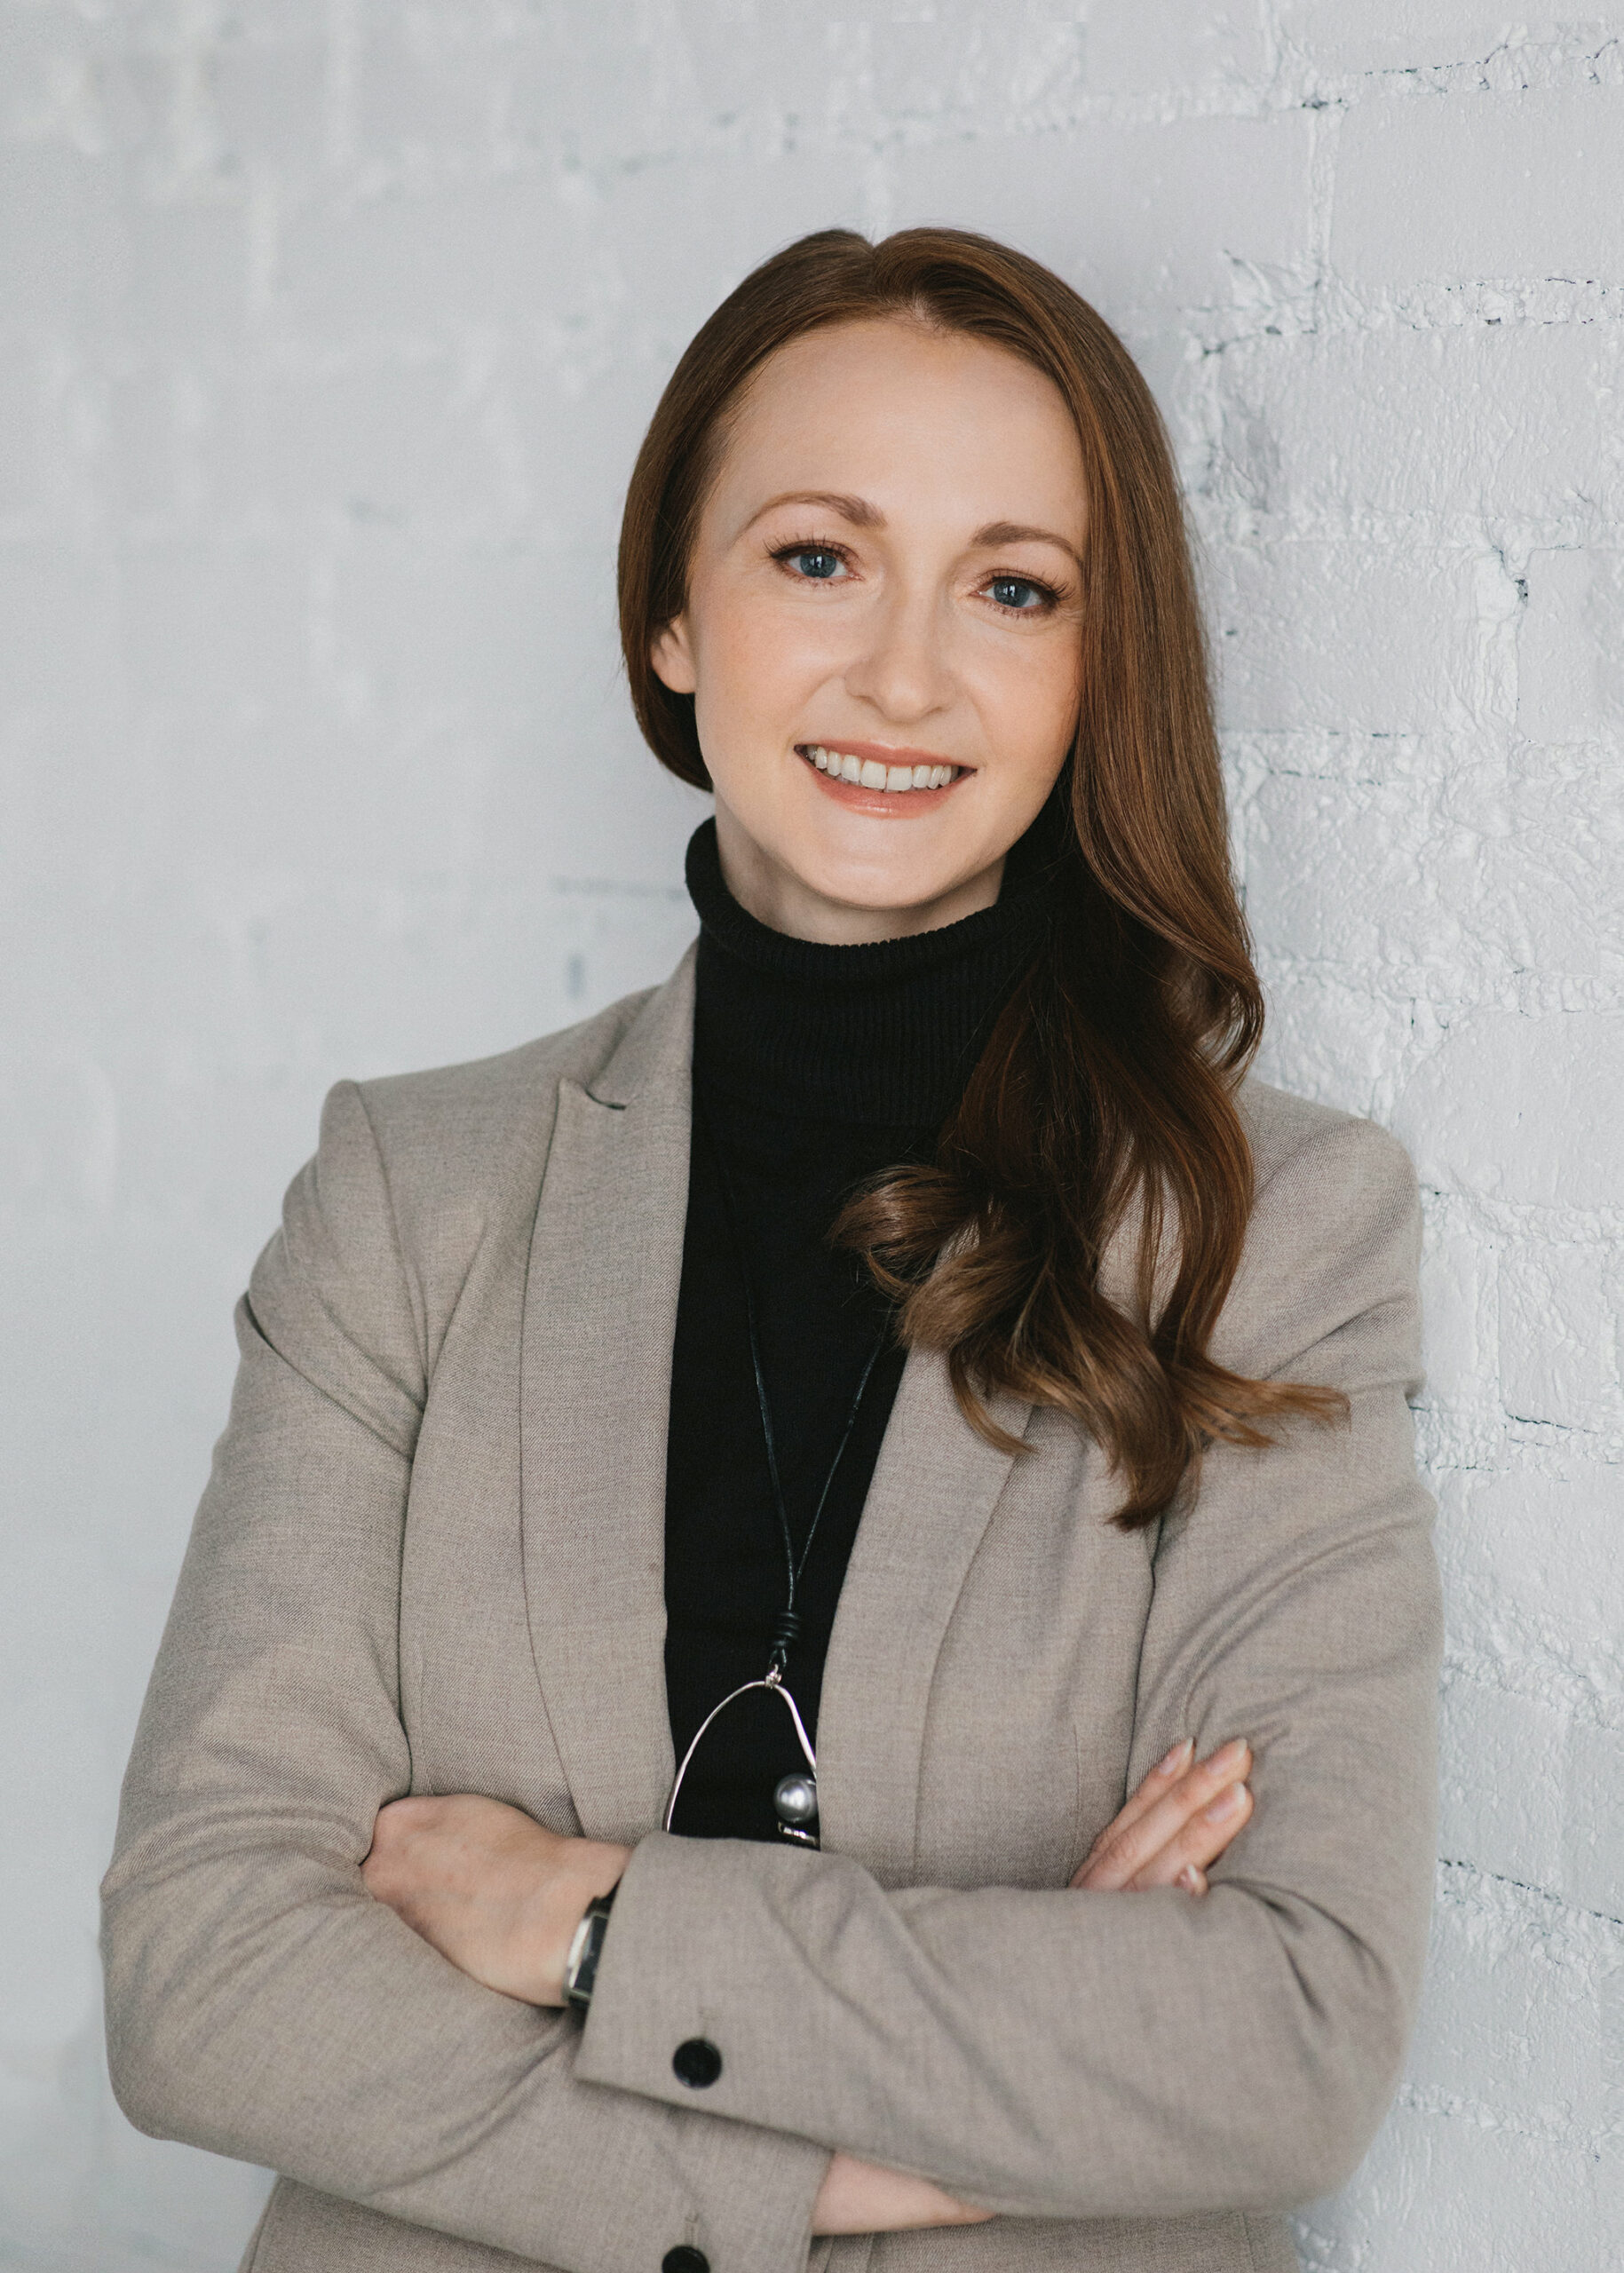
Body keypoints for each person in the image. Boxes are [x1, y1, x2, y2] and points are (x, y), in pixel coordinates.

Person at [100, 227, 1441, 2273]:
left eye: (1014, 587)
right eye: (818, 555)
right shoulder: (412, 1191)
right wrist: (821, 2163)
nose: (906, 672)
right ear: (671, 612)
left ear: (1098, 666)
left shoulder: (1270, 1228)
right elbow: (202, 1965)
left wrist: (593, 1922)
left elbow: (1288, 2027)